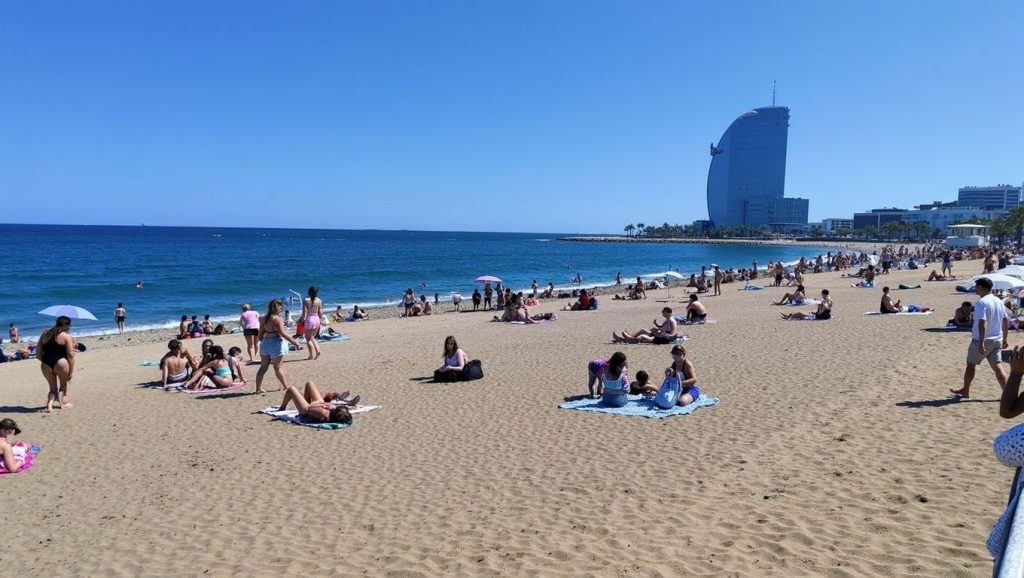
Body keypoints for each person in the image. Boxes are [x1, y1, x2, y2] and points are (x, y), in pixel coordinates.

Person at [951, 277, 1009, 398]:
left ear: (981, 287)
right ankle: (1008, 394)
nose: (975, 288)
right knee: (998, 367)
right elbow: (1005, 320)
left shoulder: (981, 302)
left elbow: (982, 323)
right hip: (997, 339)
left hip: (982, 340)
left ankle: (965, 390)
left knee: (971, 364)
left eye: (976, 286)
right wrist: (1005, 339)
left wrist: (981, 342)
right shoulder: (998, 301)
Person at [255, 299, 303, 394]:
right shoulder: (278, 319)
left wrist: (264, 341)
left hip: (265, 343)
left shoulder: (263, 318)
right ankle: (285, 386)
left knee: (263, 368)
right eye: (280, 307)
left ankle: (258, 388)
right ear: (277, 308)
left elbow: (260, 334)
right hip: (276, 343)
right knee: (278, 367)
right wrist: (296, 343)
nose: (281, 309)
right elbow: (283, 334)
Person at [38, 315, 75, 412]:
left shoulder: (45, 333)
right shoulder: (66, 336)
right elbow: (70, 355)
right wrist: (71, 371)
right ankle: (64, 404)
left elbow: (38, 353)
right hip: (61, 362)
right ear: (66, 325)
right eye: (69, 326)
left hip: (46, 363)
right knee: (63, 385)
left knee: (52, 388)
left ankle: (49, 406)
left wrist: (46, 361)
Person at [277, 382, 357, 425]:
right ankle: (302, 399)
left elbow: (308, 409)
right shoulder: (331, 411)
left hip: (306, 409)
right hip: (319, 403)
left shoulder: (324, 413)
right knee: (309, 383)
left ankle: (282, 407)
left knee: (291, 389)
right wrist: (322, 404)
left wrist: (319, 405)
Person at [612, 307, 678, 344]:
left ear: (667, 312)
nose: (662, 313)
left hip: (662, 338)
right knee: (643, 330)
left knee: (642, 337)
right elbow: (663, 327)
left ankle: (623, 339)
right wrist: (656, 325)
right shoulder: (668, 319)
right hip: (659, 335)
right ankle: (627, 337)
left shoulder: (672, 321)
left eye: (663, 312)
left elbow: (673, 333)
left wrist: (665, 334)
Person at [301, 286, 324, 361]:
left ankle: (311, 355)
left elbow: (304, 313)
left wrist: (300, 320)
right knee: (312, 338)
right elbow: (320, 313)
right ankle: (318, 351)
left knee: (308, 339)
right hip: (317, 319)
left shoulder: (306, 300)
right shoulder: (319, 300)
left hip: (310, 319)